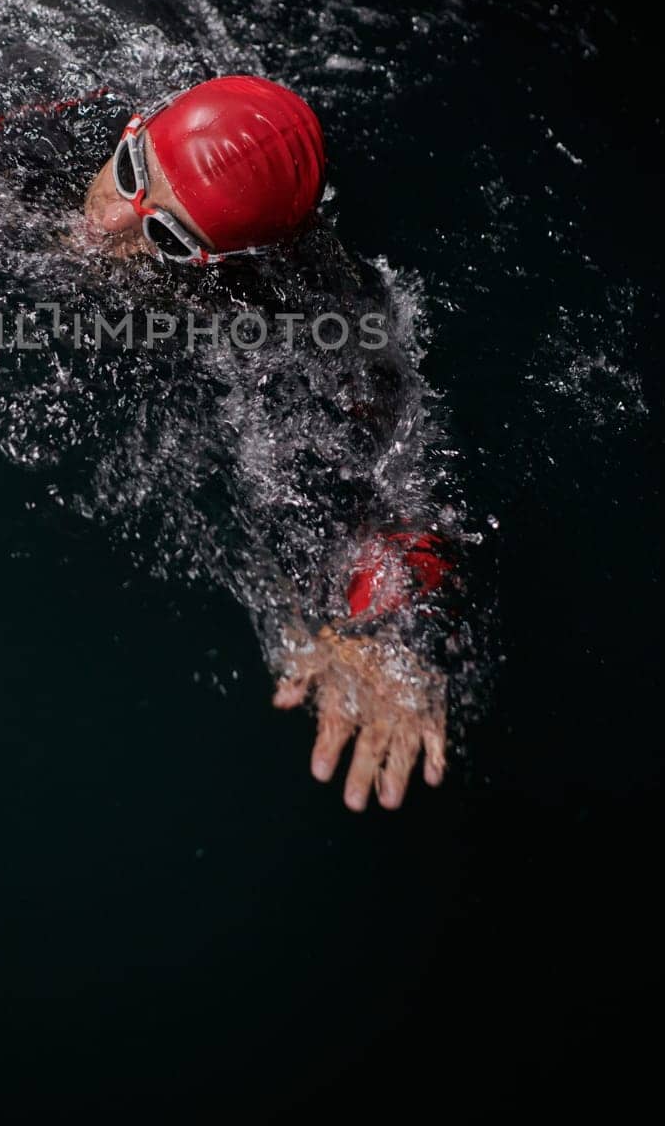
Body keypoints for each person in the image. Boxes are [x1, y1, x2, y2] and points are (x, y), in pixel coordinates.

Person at [88, 74, 453, 810]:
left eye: (169, 236)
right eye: (132, 174)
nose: (111, 227)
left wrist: (384, 632)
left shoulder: (297, 318)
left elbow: (402, 483)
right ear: (136, 126)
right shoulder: (56, 119)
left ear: (222, 262)